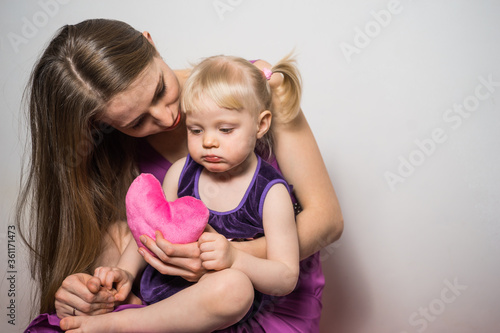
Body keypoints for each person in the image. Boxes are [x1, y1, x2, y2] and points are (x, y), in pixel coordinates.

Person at [18, 19, 343, 332]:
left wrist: (224, 256)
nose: (167, 115)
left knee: (232, 287)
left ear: (150, 43)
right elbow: (142, 235)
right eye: (136, 122)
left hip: (265, 295)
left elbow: (327, 220)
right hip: (178, 299)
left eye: (160, 88)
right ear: (104, 125)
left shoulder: (247, 87)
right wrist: (91, 290)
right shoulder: (137, 157)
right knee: (115, 232)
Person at [62, 54, 301, 332]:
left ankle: (124, 324)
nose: (209, 142)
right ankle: (139, 309)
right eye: (196, 130)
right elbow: (151, 227)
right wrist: (124, 271)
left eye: (225, 129)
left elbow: (285, 277)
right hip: (161, 290)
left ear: (261, 125)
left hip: (215, 305)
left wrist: (236, 259)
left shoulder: (270, 193)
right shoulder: (180, 172)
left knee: (235, 287)